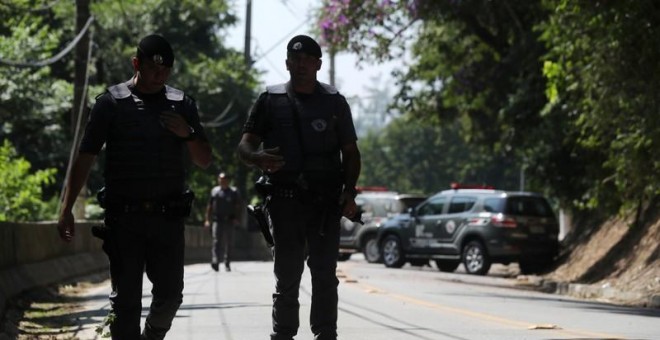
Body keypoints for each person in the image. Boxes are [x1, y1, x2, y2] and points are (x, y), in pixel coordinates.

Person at [57, 34, 212, 340]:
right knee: (125, 305)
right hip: (124, 220)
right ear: (136, 63)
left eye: (166, 70)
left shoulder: (182, 105)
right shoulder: (110, 104)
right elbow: (85, 157)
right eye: (154, 68)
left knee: (170, 298)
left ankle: (151, 336)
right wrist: (67, 208)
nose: (160, 75)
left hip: (167, 220)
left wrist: (188, 133)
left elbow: (205, 160)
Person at [237, 34, 361, 340]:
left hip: (324, 205)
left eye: (307, 60)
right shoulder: (269, 100)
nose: (301, 65)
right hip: (284, 202)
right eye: (295, 60)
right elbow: (244, 146)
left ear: (318, 65)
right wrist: (256, 158)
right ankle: (283, 334)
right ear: (287, 64)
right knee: (288, 277)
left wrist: (349, 191)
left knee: (324, 276)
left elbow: (351, 152)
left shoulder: (334, 102)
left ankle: (325, 334)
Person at [204, 171, 241, 272]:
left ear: (227, 181)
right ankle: (215, 260)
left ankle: (227, 262)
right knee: (216, 241)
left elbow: (238, 207)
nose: (222, 181)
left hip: (229, 220)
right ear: (218, 180)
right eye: (220, 179)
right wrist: (207, 220)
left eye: (224, 179)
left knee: (229, 243)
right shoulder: (214, 191)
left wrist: (237, 219)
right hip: (217, 220)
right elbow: (209, 206)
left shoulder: (233, 192)